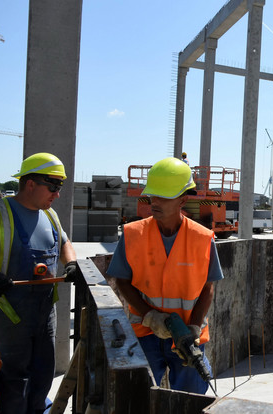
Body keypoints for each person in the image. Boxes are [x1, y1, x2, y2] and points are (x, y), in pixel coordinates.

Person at [106, 157, 224, 394]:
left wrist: (192, 328)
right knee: (135, 397)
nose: (155, 202)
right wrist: (149, 316)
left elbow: (208, 287)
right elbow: (122, 280)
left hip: (186, 338)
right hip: (145, 334)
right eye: (153, 195)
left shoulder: (202, 238)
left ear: (182, 199)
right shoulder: (132, 233)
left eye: (164, 196)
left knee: (189, 398)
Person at [0, 152, 81, 414]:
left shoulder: (50, 216)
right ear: (30, 184)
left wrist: (70, 263)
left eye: (60, 188)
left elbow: (65, 242)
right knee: (15, 377)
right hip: (8, 313)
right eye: (53, 187)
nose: (57, 195)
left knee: (43, 372)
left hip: (44, 312)